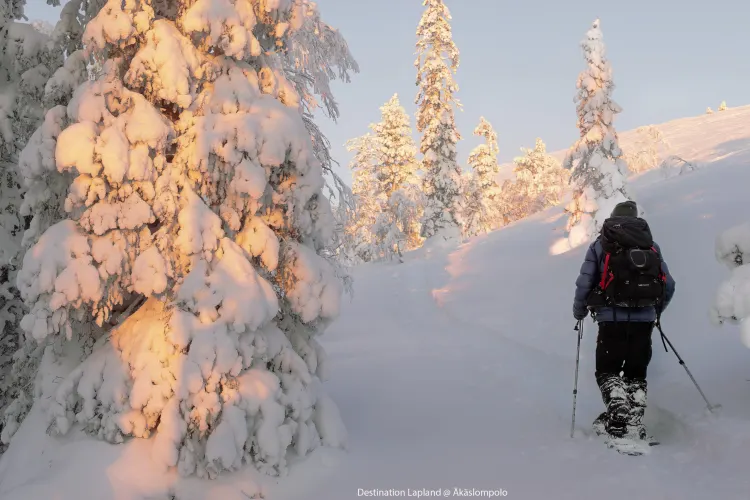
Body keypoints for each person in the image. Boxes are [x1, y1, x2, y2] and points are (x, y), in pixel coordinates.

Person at [572, 200, 676, 442]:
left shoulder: (601, 245)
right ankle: (633, 420)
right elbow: (668, 284)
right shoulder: (651, 246)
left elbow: (585, 282)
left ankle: (618, 415)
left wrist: (579, 311)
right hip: (644, 321)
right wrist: (655, 311)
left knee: (607, 370)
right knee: (636, 372)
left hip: (611, 320)